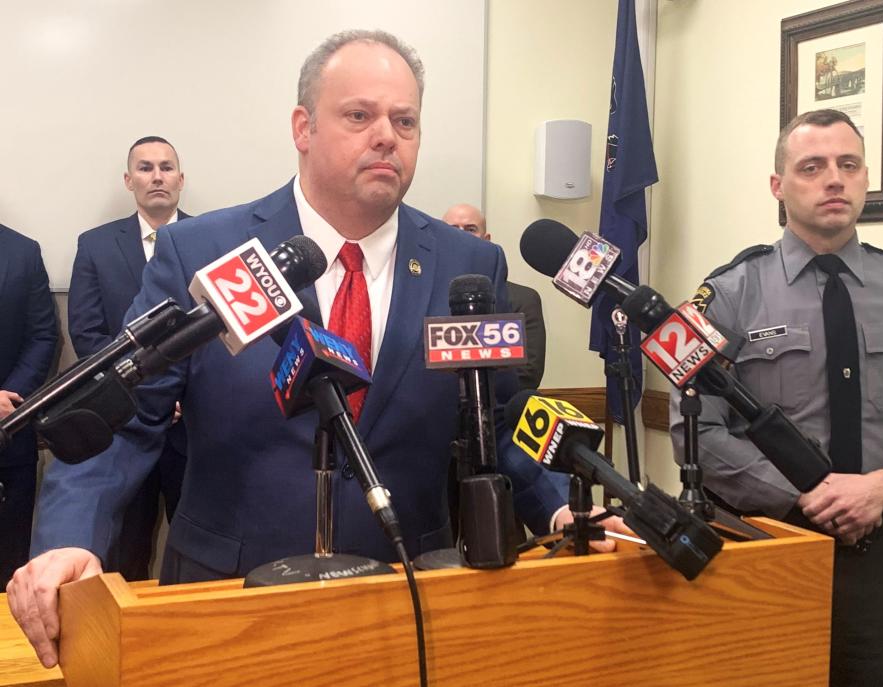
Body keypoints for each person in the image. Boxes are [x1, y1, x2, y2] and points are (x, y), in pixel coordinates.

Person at [8, 29, 628, 669]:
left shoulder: (467, 266)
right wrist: (67, 542)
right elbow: (123, 421)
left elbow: (495, 421)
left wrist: (563, 507)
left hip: (411, 601)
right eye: (359, 115)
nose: (386, 134)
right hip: (229, 602)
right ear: (303, 127)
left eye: (405, 120)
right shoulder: (205, 253)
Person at [670, 109, 883, 686]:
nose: (834, 179)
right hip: (766, 554)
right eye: (812, 166)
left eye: (848, 164)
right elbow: (696, 431)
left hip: (877, 562)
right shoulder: (727, 295)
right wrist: (806, 496)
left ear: (865, 179)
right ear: (778, 187)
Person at [67, 136, 190, 581]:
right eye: (145, 168)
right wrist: (143, 391)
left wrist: (181, 394)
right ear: (128, 180)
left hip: (194, 427)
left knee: (197, 550)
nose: (156, 176)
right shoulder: (96, 245)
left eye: (165, 167)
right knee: (127, 553)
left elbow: (225, 330)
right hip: (126, 420)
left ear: (181, 178)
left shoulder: (210, 239)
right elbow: (86, 334)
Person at [0, 224, 59, 588]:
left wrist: (10, 395)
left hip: (9, 433)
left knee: (9, 564)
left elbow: (42, 334)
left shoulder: (23, 251)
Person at [442, 203, 546, 389]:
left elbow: (527, 374)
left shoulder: (523, 299)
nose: (461, 236)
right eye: (452, 230)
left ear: (487, 239)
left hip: (500, 410)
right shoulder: (426, 295)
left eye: (470, 229)